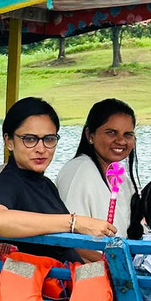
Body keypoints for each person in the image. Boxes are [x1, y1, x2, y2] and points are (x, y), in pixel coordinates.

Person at [0, 96, 116, 262]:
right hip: (46, 283)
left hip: (71, 277)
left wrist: (110, 264)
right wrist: (74, 222)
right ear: (9, 142)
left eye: (49, 139)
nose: (41, 149)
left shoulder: (45, 184)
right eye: (30, 139)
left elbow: (67, 245)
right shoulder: (7, 183)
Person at [56, 98, 140, 237]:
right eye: (111, 132)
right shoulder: (79, 171)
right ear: (90, 135)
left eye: (128, 134)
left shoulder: (118, 174)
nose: (121, 141)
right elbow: (72, 241)